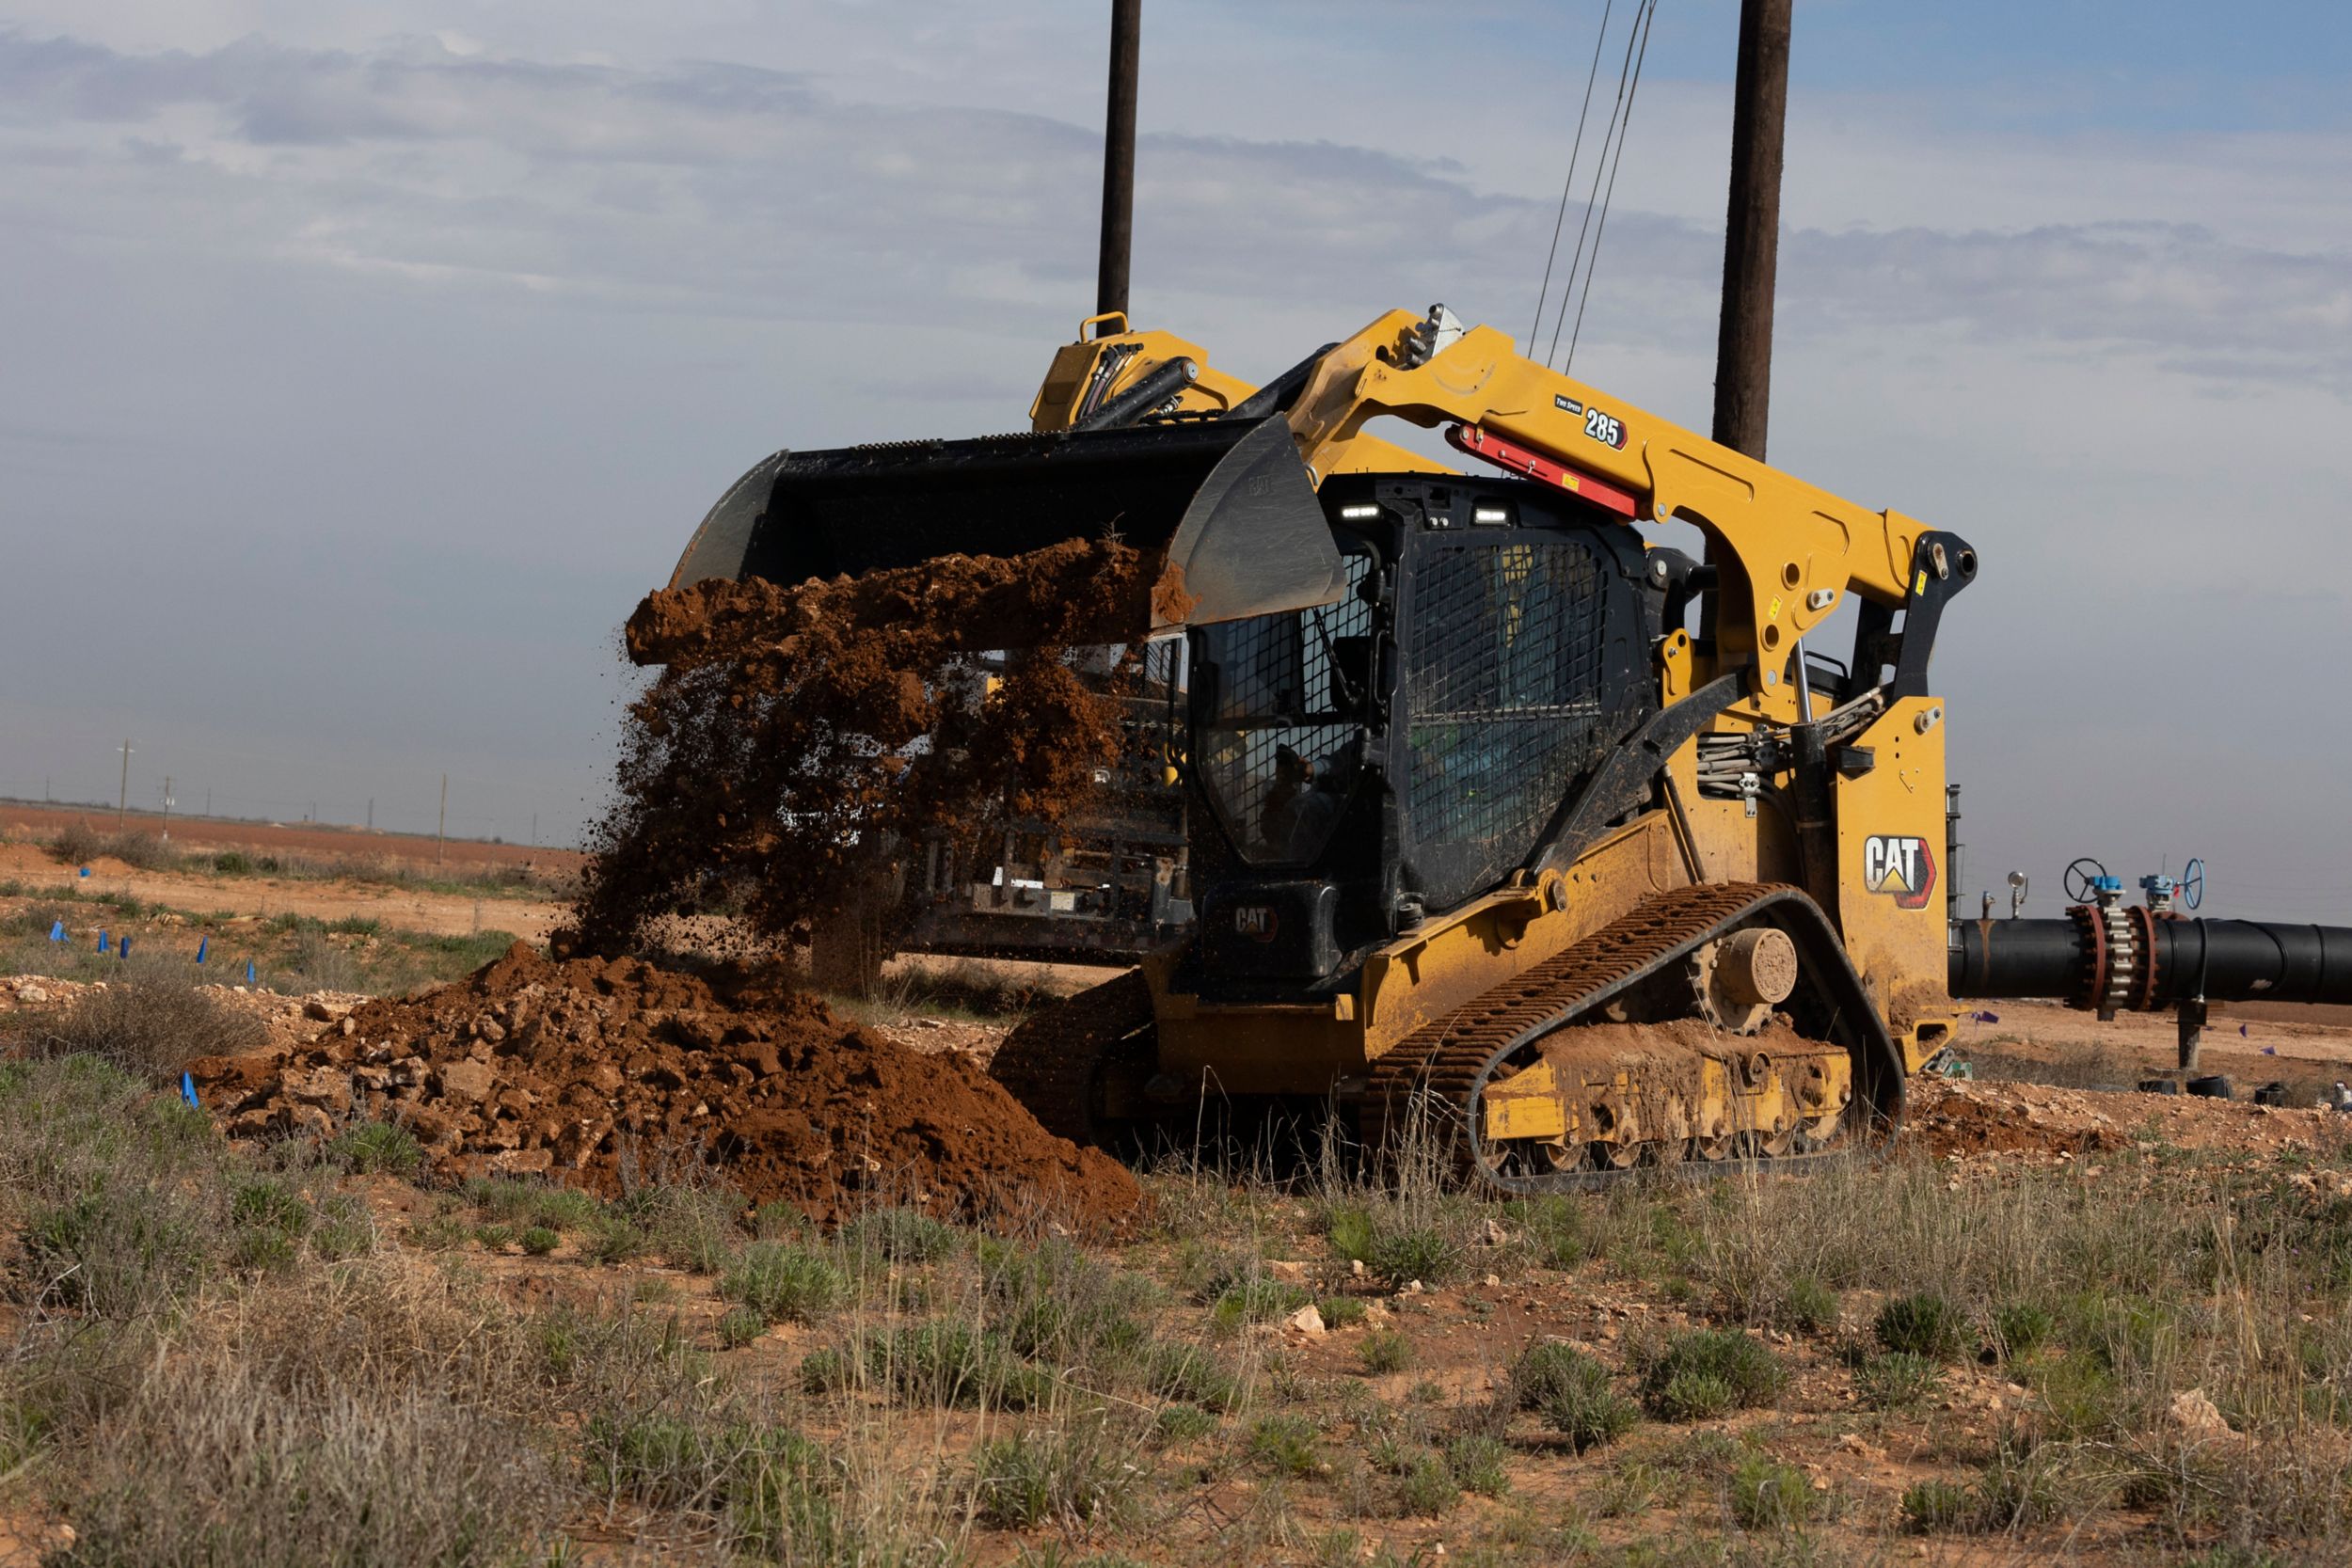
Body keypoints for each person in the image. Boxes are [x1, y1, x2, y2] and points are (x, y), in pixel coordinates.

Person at [1259, 746, 1312, 853]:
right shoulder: (1270, 792)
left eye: (1286, 766)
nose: (1281, 770)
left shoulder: (1303, 796)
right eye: (1279, 765)